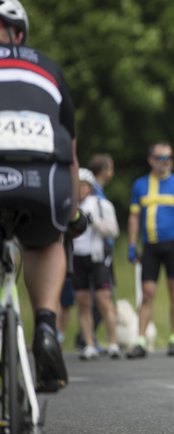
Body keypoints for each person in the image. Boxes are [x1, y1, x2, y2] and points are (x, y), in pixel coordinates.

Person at [0, 0, 81, 392]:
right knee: (46, 240)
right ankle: (46, 325)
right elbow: (71, 150)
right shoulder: (47, 66)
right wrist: (75, 214)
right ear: (19, 34)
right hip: (43, 177)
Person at [127, 141, 174, 358]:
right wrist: (131, 244)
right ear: (151, 160)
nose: (166, 162)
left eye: (169, 158)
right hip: (150, 245)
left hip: (173, 243)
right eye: (162, 158)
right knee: (147, 293)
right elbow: (134, 217)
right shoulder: (139, 185)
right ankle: (141, 340)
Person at [72, 168, 120, 360]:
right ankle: (89, 344)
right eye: (78, 186)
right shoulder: (69, 206)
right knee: (83, 302)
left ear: (90, 187)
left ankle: (113, 343)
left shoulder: (101, 204)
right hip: (77, 257)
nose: (81, 190)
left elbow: (113, 231)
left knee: (104, 301)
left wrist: (95, 223)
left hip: (98, 258)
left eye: (84, 186)